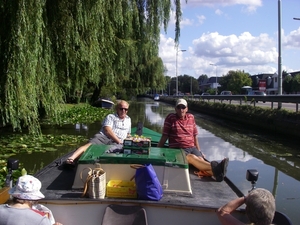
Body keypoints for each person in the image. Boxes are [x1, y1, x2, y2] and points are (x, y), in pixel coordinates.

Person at [157, 98, 228, 182]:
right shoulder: (170, 118)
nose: (181, 110)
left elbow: (195, 137)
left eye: (183, 107)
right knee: (192, 157)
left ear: (187, 109)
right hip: (178, 150)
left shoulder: (191, 117)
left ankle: (216, 173)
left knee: (201, 160)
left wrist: (199, 151)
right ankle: (217, 168)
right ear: (175, 109)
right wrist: (157, 151)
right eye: (178, 107)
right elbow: (164, 136)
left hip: (192, 148)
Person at [65, 100, 131, 165]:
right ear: (117, 109)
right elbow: (107, 130)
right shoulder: (111, 116)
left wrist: (130, 140)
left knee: (114, 153)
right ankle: (71, 158)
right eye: (121, 109)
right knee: (89, 146)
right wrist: (119, 141)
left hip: (117, 142)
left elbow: (128, 134)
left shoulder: (128, 120)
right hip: (104, 137)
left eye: (126, 109)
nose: (123, 111)